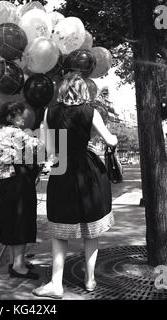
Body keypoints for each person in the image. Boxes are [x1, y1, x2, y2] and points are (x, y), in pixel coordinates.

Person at [33, 73, 118, 299]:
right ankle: (90, 280)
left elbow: (49, 150)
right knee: (90, 230)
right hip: (88, 172)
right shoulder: (91, 112)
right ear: (83, 90)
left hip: (62, 171)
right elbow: (110, 140)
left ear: (62, 90)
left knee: (61, 230)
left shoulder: (48, 113)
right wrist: (115, 140)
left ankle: (55, 283)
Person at [0, 101, 43, 280]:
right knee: (22, 217)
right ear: (9, 115)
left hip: (2, 179)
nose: (23, 117)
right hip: (17, 179)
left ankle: (14, 261)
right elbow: (39, 146)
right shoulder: (15, 133)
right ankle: (19, 266)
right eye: (19, 114)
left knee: (10, 217)